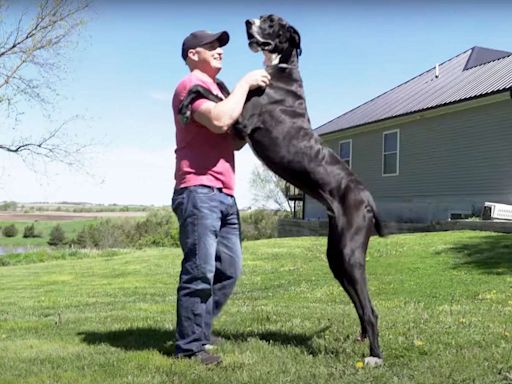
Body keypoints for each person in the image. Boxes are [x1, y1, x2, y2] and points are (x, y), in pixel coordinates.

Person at [171, 29, 270, 365]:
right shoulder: (190, 87)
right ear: (192, 54)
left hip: (225, 194)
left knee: (229, 268)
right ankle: (189, 347)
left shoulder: (221, 91)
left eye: (220, 47)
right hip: (197, 191)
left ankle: (199, 330)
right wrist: (245, 84)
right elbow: (219, 121)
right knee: (199, 271)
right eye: (211, 46)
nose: (219, 51)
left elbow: (234, 139)